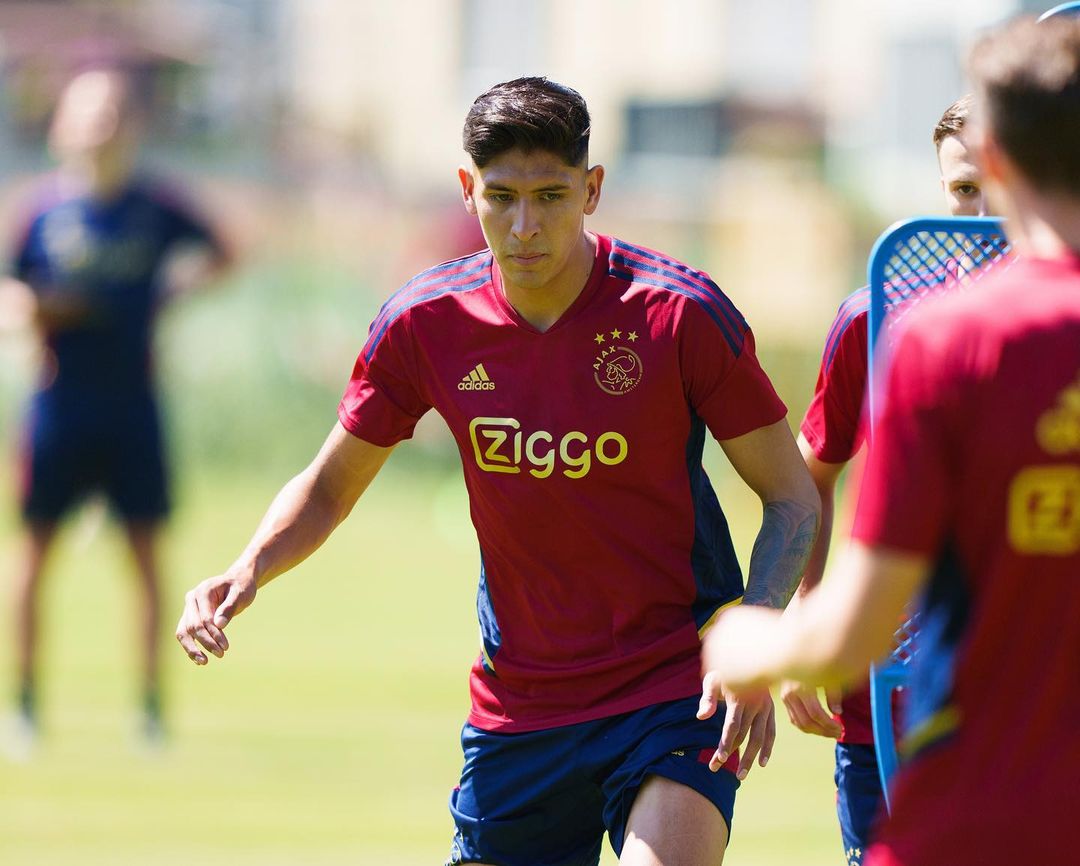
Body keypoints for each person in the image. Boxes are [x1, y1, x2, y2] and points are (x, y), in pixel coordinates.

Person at [176, 76, 820, 866]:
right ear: (466, 189)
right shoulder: (424, 323)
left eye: (551, 196)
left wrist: (756, 635)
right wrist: (247, 567)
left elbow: (791, 497)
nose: (525, 226)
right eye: (502, 197)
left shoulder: (678, 313)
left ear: (592, 190)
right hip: (522, 705)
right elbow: (331, 485)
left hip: (674, 684)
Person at [701, 15, 1080, 866]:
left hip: (974, 802)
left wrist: (753, 641)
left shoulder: (950, 342)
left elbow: (858, 627)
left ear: (1001, 159)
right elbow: (819, 474)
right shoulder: (893, 320)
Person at [782, 93, 990, 866]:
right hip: (891, 696)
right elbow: (812, 473)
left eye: (1004, 183)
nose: (983, 212)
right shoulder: (876, 316)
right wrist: (806, 617)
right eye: (964, 189)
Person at [3, 68, 230, 747]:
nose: (100, 126)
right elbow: (9, 291)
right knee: (34, 553)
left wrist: (173, 295)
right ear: (62, 125)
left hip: (133, 403)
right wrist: (35, 309)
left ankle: (151, 710)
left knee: (146, 557)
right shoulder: (41, 211)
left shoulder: (155, 207)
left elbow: (223, 253)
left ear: (131, 126)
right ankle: (25, 706)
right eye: (88, 112)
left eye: (112, 113)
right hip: (59, 403)